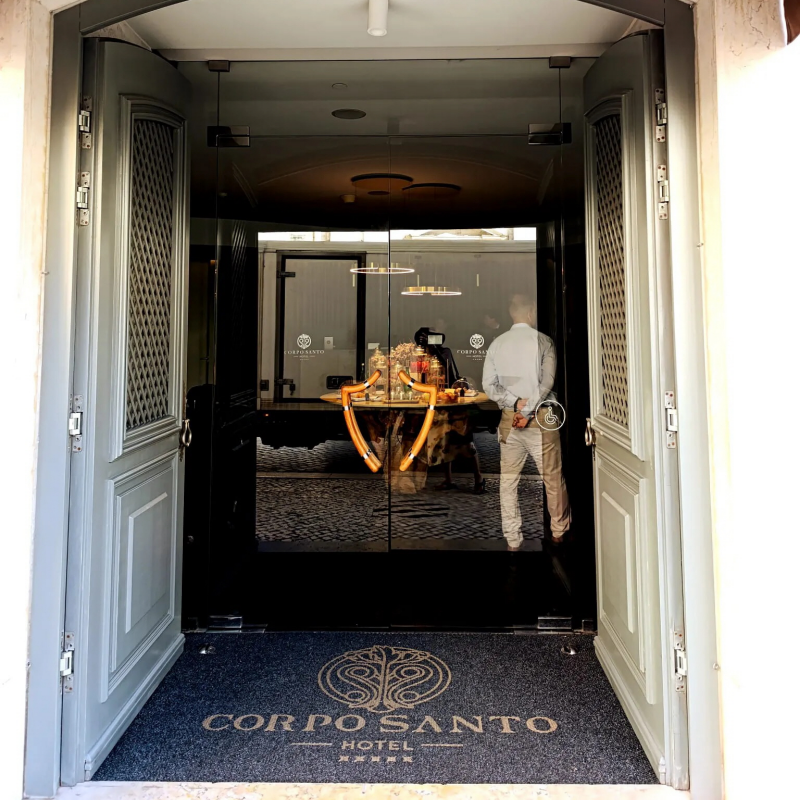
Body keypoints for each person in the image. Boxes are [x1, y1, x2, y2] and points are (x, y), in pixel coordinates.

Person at [482, 294, 571, 550]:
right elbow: (547, 382)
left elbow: (489, 385)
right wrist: (529, 408)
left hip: (510, 421)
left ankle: (512, 538)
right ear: (531, 313)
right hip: (542, 417)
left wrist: (515, 404)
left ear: (512, 314)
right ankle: (558, 531)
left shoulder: (497, 343)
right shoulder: (543, 341)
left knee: (508, 482)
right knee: (552, 477)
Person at [414, 327, 485, 494]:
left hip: (452, 402)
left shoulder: (444, 352)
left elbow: (447, 368)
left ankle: (479, 478)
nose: (426, 344)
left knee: (465, 442)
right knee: (443, 444)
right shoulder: (422, 356)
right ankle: (448, 479)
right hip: (437, 403)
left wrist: (435, 350)